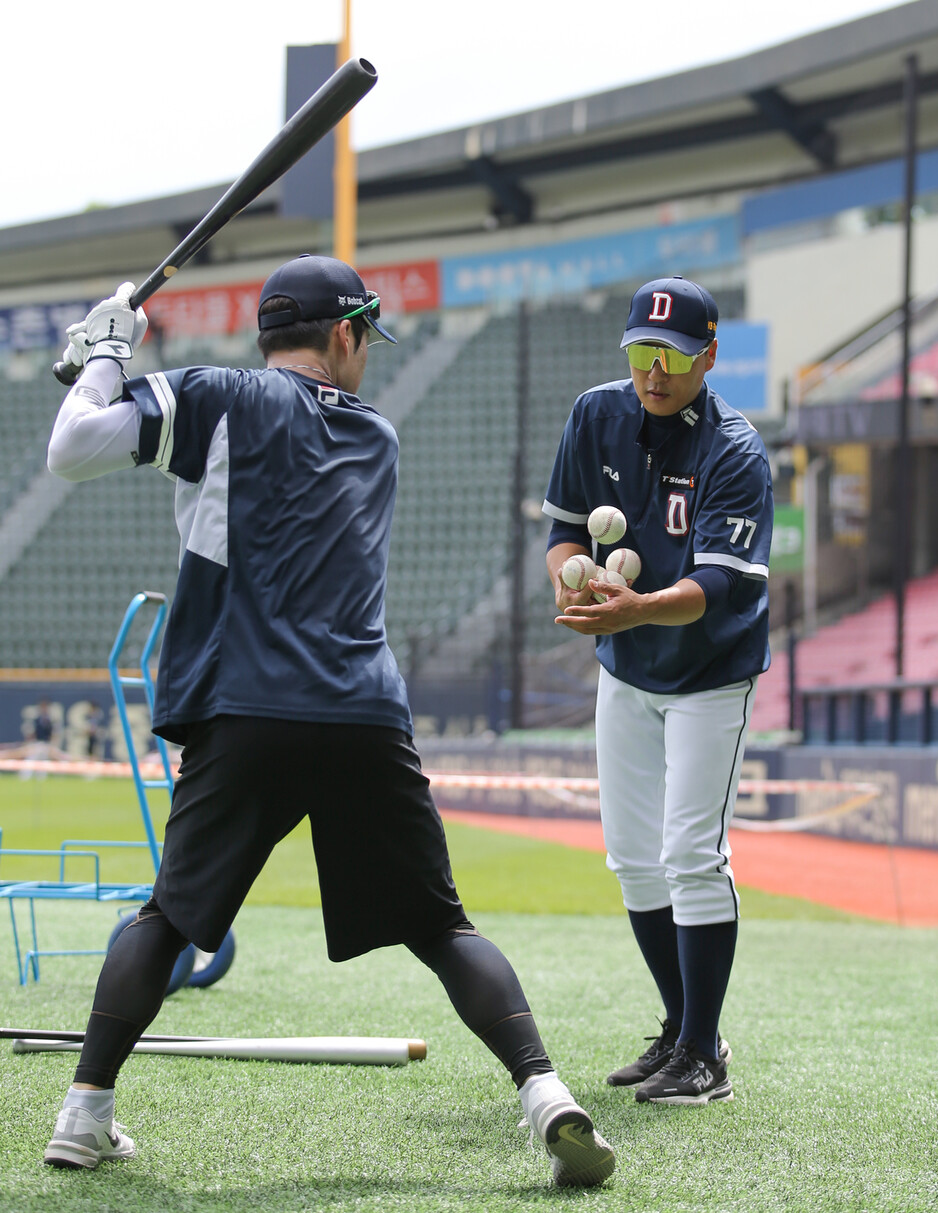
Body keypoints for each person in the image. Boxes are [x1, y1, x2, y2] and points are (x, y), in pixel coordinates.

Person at [42, 257, 614, 1187]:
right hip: (360, 712)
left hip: (245, 708)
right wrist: (105, 366)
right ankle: (546, 1092)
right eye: (363, 340)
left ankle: (83, 1114)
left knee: (166, 918)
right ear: (344, 334)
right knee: (443, 927)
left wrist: (106, 354)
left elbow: (71, 448)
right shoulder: (378, 435)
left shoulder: (219, 395)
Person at [542, 276, 773, 1105]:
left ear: (709, 356)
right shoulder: (595, 415)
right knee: (634, 860)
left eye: (672, 356)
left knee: (691, 855)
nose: (653, 370)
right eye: (642, 352)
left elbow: (718, 582)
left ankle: (705, 1057)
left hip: (710, 672)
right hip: (627, 668)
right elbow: (565, 528)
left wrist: (634, 607)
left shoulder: (736, 451)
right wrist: (567, 585)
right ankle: (684, 1034)